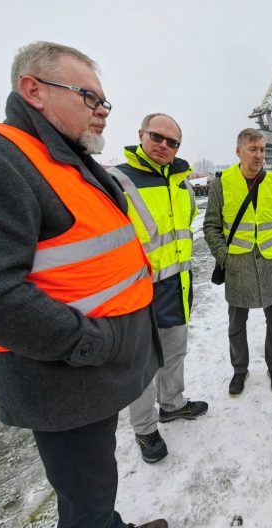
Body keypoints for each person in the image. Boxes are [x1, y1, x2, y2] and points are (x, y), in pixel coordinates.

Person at [0, 41, 167, 528]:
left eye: (105, 103)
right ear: (33, 90)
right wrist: (92, 343)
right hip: (67, 381)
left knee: (93, 486)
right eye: (89, 98)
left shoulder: (66, 160)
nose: (101, 113)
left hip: (96, 375)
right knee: (86, 500)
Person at [108, 113, 208, 464]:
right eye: (157, 137)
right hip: (137, 294)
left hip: (177, 288)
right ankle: (145, 429)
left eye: (172, 142)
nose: (164, 145)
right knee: (142, 366)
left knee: (174, 354)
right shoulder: (117, 180)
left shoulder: (181, 185)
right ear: (141, 135)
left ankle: (172, 405)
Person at [203, 128, 272, 396]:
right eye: (253, 149)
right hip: (238, 267)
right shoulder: (222, 183)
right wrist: (225, 257)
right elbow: (211, 226)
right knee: (236, 325)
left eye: (262, 150)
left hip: (271, 264)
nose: (259, 155)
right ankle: (239, 370)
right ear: (239, 151)